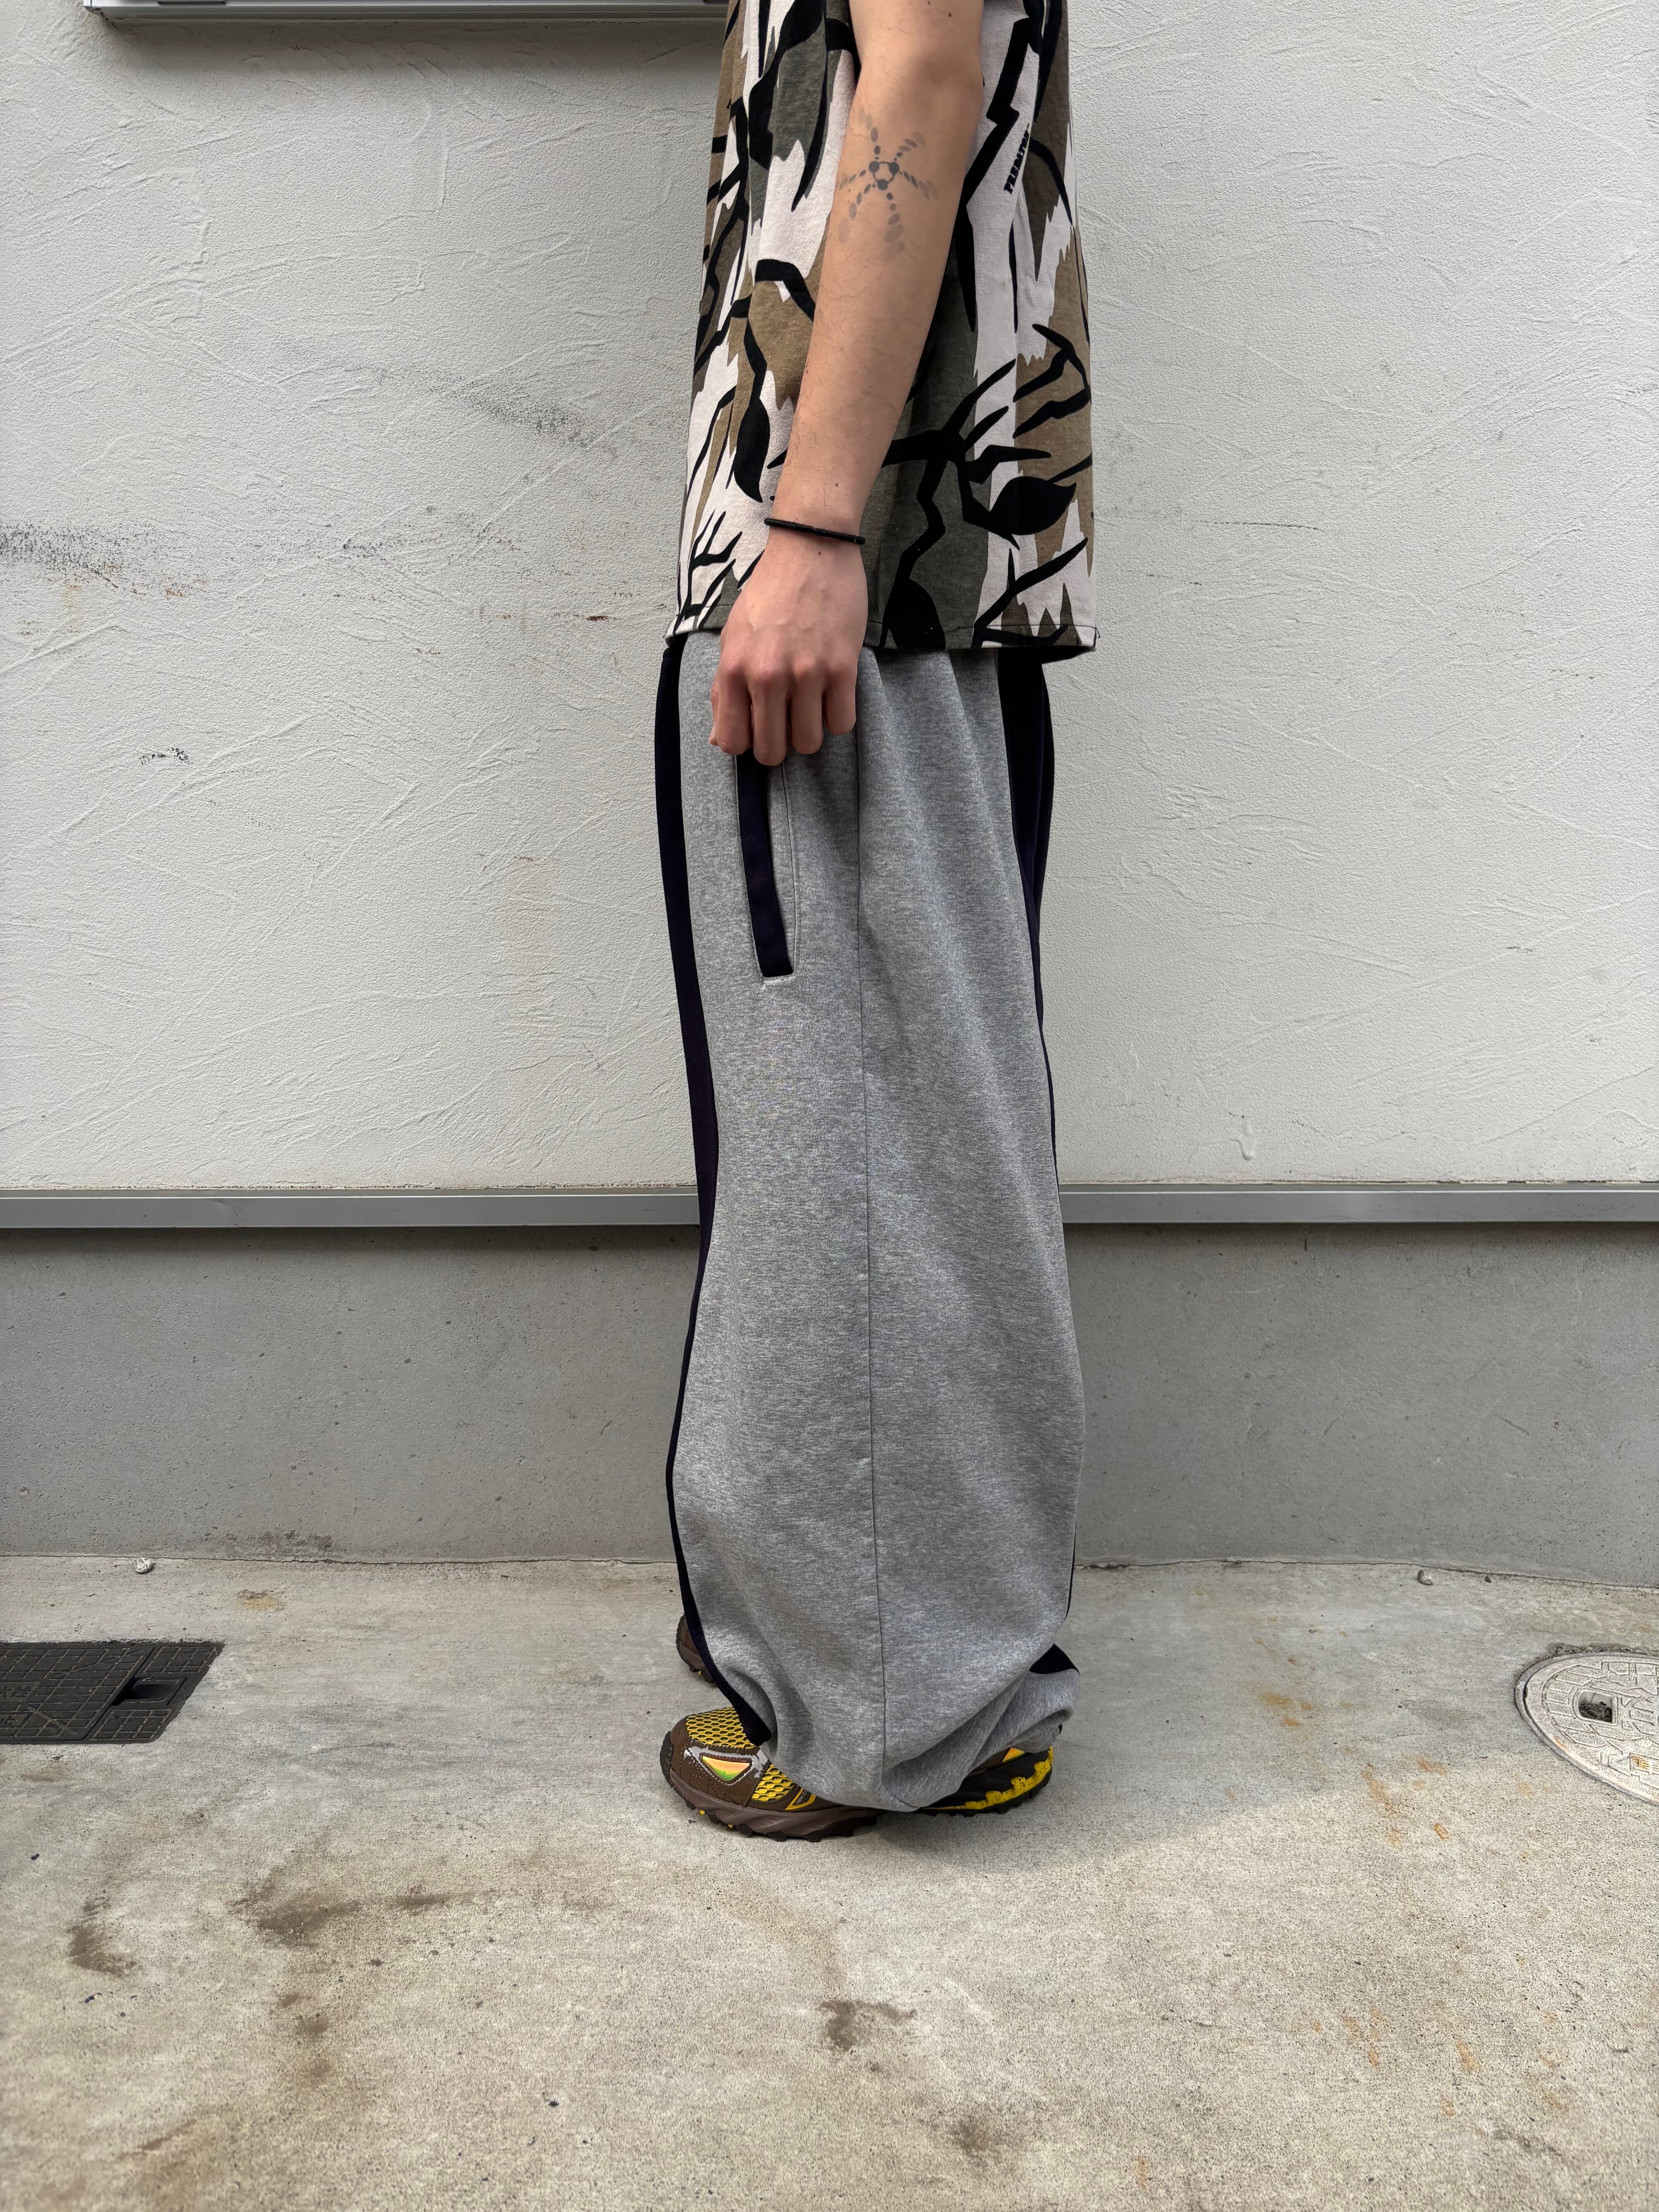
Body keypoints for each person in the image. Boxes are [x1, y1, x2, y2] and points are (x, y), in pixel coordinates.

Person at [653, 0, 1094, 1839]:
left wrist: (818, 525)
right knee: (897, 1141)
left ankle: (893, 1710)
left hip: (863, 571)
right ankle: (935, 1676)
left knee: (853, 1157)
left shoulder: (838, 548)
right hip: (895, 570)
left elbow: (917, 72)